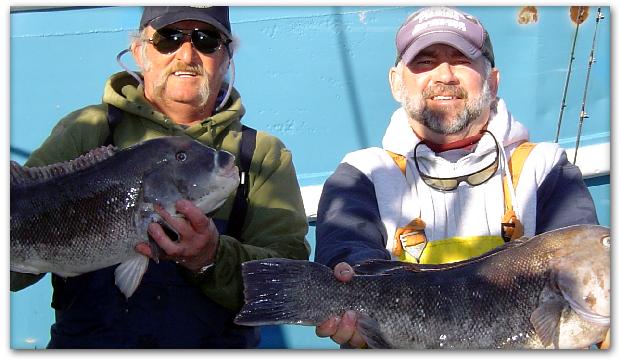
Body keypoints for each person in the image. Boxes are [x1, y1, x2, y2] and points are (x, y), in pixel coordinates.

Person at [10, 6, 310, 348]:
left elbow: (287, 280)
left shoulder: (260, 155)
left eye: (206, 40)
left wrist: (211, 258)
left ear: (227, 57)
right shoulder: (86, 130)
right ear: (140, 52)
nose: (186, 54)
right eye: (168, 39)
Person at [313, 6, 600, 348]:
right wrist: (350, 298)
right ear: (395, 82)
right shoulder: (363, 175)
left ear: (492, 80)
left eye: (462, 59)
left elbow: (585, 270)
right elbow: (346, 257)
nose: (444, 74)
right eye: (424, 61)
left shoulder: (544, 167)